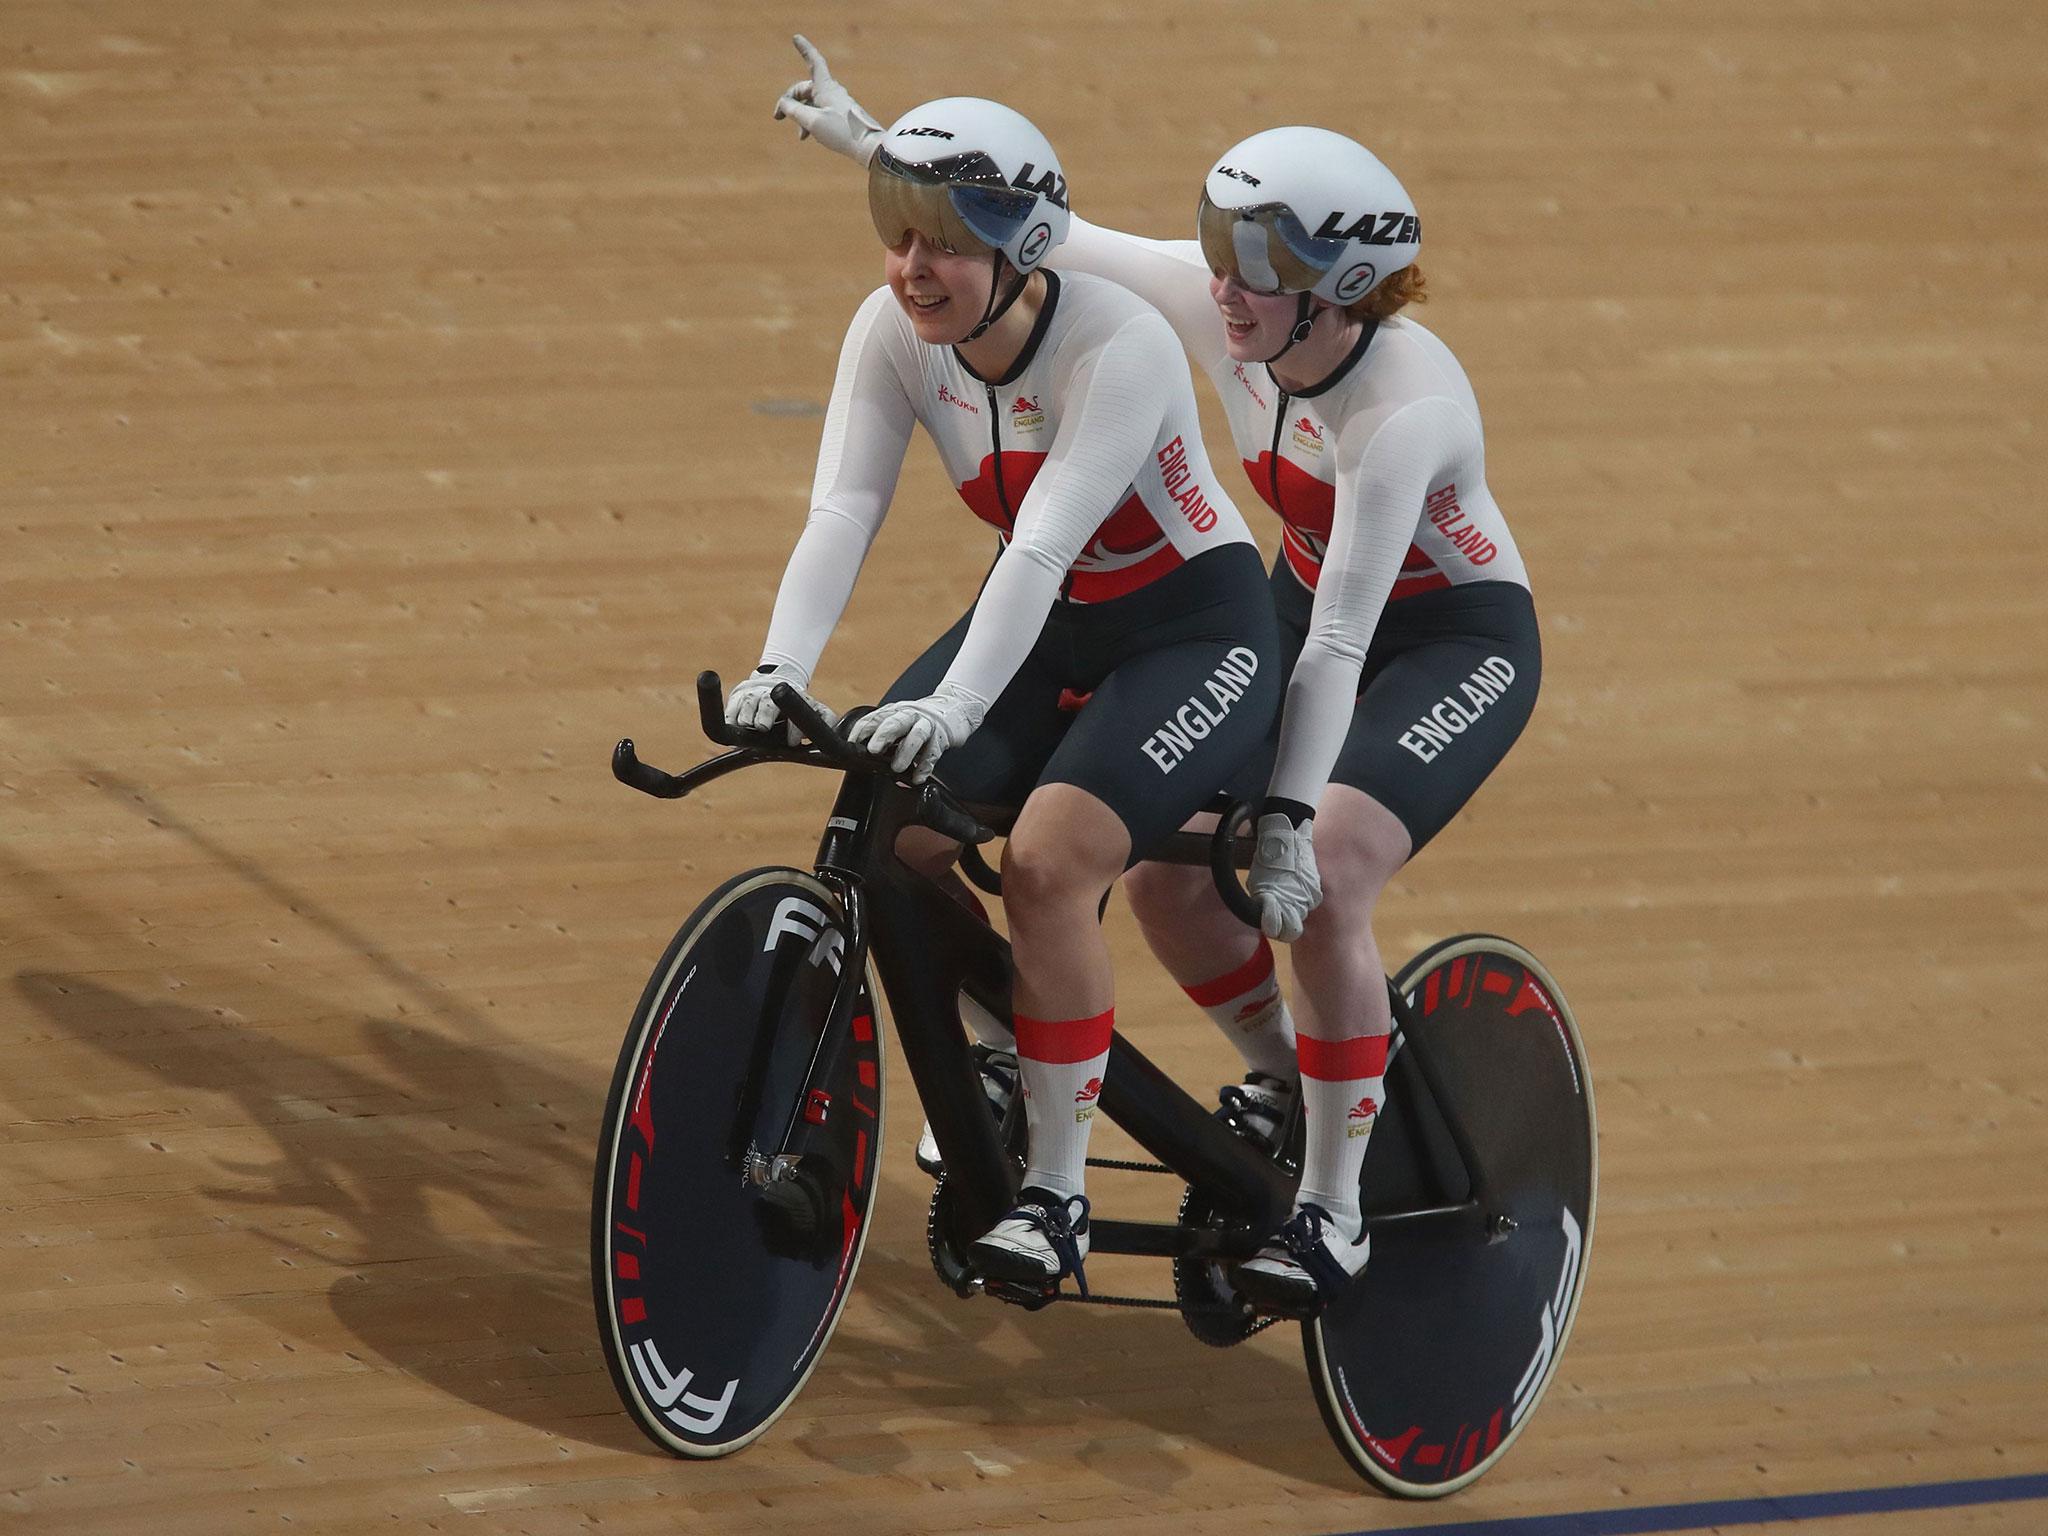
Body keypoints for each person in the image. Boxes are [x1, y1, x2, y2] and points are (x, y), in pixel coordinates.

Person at [775, 42, 1541, 1312]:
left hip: (1448, 639)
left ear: (1336, 290)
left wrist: (1289, 820)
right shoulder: (1227, 304)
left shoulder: (1400, 406)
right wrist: (887, 157)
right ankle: (1282, 1075)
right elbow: (1047, 231)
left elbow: (1346, 641)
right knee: (1173, 885)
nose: (1221, 294)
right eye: (1218, 252)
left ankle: (1335, 1212)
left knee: (1329, 873)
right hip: (1301, 606)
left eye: (1255, 268)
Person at [727, 92, 1282, 1291]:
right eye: (897, 235)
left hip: (1189, 628)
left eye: (942, 244)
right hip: (1051, 624)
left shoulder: (1117, 344)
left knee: (1049, 861)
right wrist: (779, 668)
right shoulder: (888, 331)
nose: (910, 269)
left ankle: (1056, 1190)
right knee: (902, 828)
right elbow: (843, 511)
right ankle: (1002, 1061)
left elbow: (1038, 548)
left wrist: (953, 711)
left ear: (1020, 250)